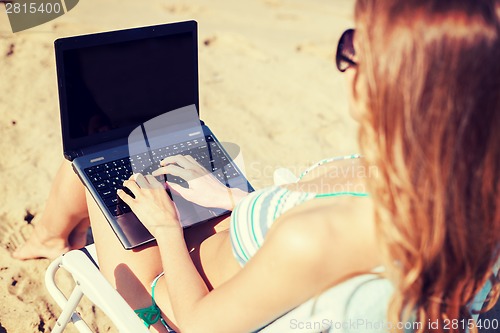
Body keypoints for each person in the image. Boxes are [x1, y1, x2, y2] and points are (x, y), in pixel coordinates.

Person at [13, 0, 500, 332]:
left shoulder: (315, 239)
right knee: (118, 153)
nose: (347, 61)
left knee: (90, 159)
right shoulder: (451, 194)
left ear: (386, 86)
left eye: (356, 46)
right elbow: (313, 227)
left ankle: (51, 238)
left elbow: (202, 323)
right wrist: (234, 200)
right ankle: (56, 234)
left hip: (175, 295)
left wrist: (165, 229)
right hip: (230, 242)